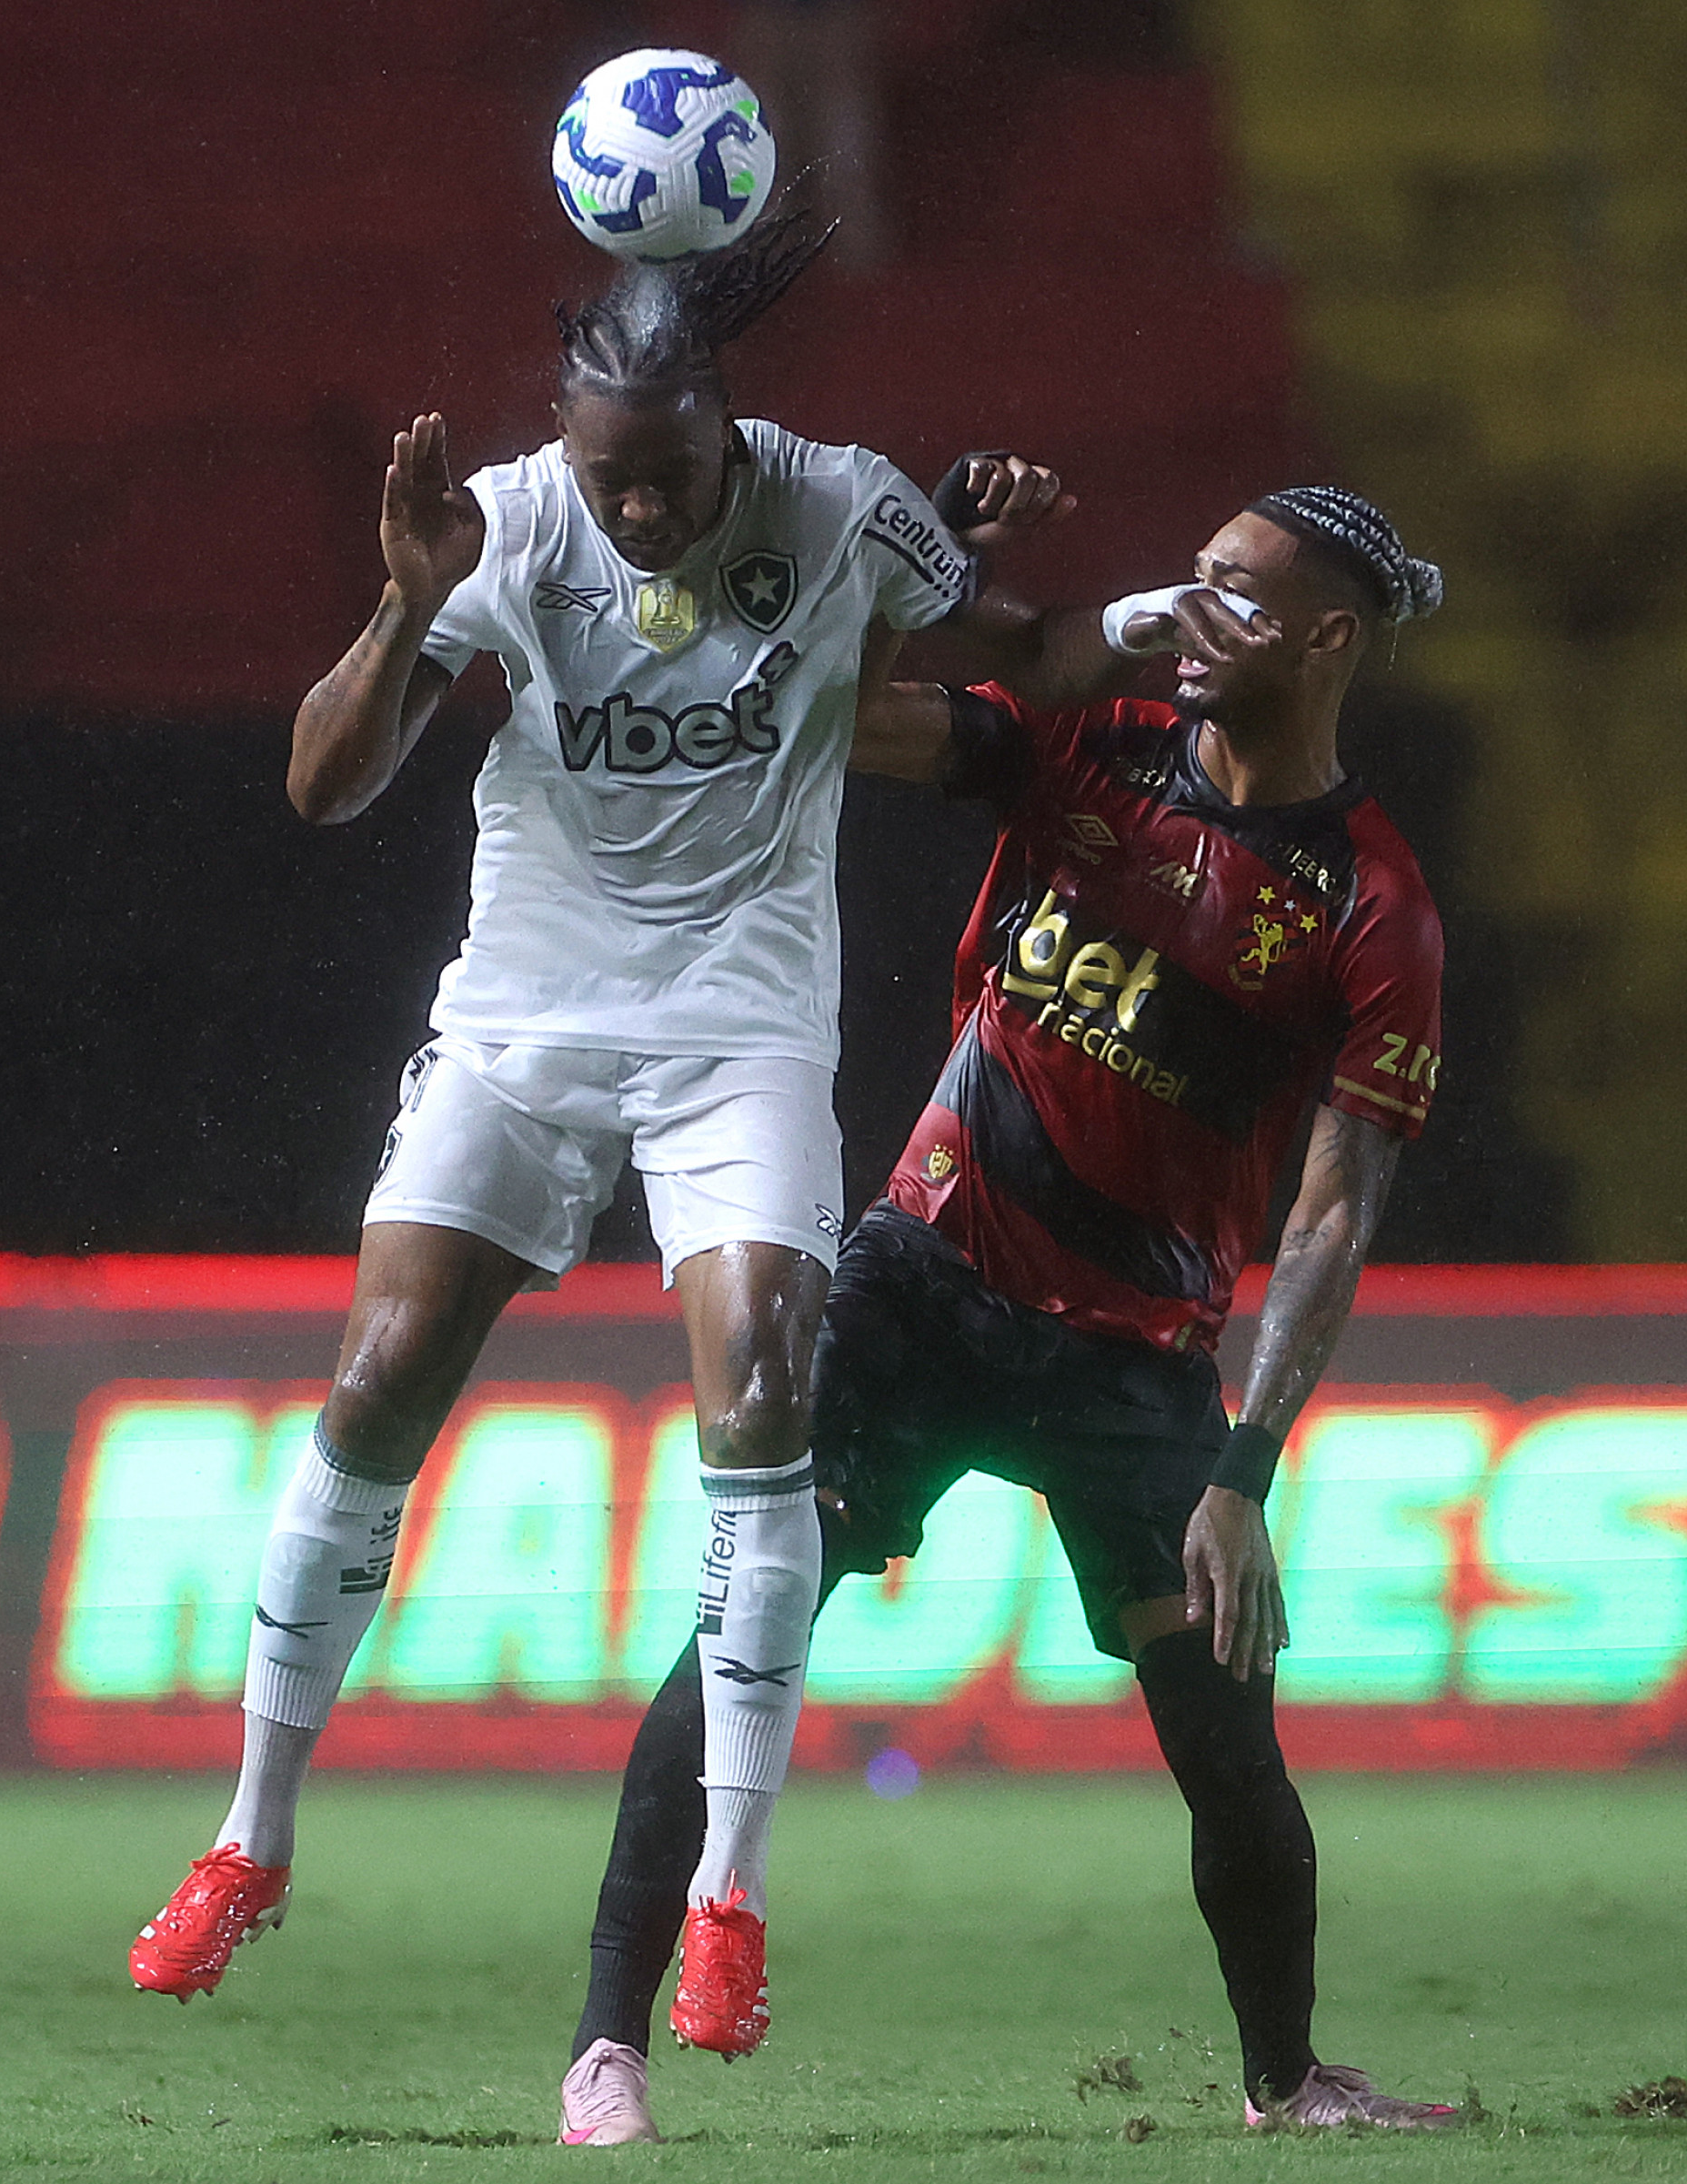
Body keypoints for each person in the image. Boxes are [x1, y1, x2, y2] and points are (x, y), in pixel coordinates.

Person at [126, 204, 1069, 2037]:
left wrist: (1005, 564)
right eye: (604, 474)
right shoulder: (509, 524)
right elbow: (322, 785)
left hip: (738, 1023)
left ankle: (729, 1895)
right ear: (565, 440)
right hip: (527, 1014)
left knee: (766, 1399)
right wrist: (406, 599)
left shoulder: (836, 499)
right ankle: (250, 1838)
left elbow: (987, 634)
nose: (634, 508)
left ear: (727, 430)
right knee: (378, 1375)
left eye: (667, 477)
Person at [558, 486, 1462, 2143]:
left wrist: (1247, 1468)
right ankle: (604, 2049)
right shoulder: (1094, 745)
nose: (1191, 610)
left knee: (1227, 1735)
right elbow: (844, 721)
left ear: (1330, 638)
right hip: (921, 1286)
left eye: (1238, 593)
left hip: (1135, 1362)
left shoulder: (1369, 902)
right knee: (744, 1632)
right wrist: (929, 578)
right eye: (1191, 574)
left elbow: (1334, 1215)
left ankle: (1287, 2081)